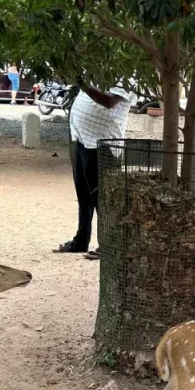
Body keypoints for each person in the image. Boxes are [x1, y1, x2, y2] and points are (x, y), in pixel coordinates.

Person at [55, 81, 135, 258]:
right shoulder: (98, 69)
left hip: (104, 145)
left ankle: (107, 246)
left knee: (103, 200)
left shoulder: (128, 75)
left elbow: (109, 101)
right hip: (83, 139)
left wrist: (81, 82)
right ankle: (80, 241)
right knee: (84, 197)